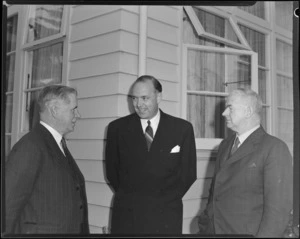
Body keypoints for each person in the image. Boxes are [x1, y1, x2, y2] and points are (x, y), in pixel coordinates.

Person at [105, 75, 197, 234]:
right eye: (134, 98)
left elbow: (188, 174)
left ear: (159, 96)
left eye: (144, 98)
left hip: (166, 216)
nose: (138, 104)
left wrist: (164, 199)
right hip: (128, 216)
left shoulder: (182, 129)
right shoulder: (116, 129)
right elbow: (113, 173)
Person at [198, 88, 293, 237]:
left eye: (230, 108)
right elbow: (215, 194)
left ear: (248, 112)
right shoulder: (224, 145)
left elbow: (278, 212)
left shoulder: (274, 148)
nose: (224, 113)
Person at [5, 85, 90, 234]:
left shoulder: (58, 144)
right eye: (73, 109)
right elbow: (7, 207)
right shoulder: (30, 147)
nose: (78, 115)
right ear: (54, 110)